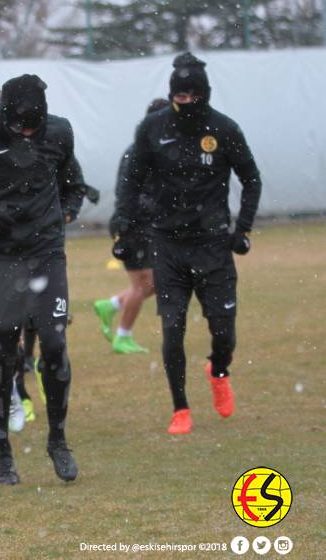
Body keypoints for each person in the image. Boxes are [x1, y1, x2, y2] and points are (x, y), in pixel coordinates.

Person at [114, 53, 261, 435]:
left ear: (203, 94)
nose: (184, 101)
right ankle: (181, 409)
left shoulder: (224, 129)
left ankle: (218, 369)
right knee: (172, 328)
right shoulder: (153, 128)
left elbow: (252, 179)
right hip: (168, 246)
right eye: (178, 95)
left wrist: (242, 228)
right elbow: (131, 179)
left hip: (213, 245)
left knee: (224, 332)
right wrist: (125, 226)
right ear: (171, 94)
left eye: (191, 95)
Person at [0, 74, 85, 485]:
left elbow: (71, 183)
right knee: (3, 350)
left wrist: (64, 212)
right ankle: (1, 448)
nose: (27, 132)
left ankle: (57, 440)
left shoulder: (60, 131)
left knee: (56, 343)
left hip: (45, 253)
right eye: (19, 125)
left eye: (33, 125)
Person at [93, 97, 170, 354]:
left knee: (156, 282)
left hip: (143, 225)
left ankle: (112, 305)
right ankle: (122, 337)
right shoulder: (139, 151)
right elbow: (129, 193)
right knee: (145, 283)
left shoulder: (152, 149)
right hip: (132, 226)